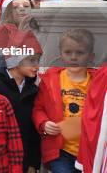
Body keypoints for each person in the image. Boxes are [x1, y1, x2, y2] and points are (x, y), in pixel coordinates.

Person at [32, 29, 97, 172]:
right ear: (61, 55)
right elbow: (38, 108)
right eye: (68, 52)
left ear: (91, 56)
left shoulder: (99, 82)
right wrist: (44, 123)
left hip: (89, 150)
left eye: (80, 52)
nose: (73, 57)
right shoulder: (50, 80)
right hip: (60, 150)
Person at [0, 35, 43, 173]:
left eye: (38, 60)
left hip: (22, 160)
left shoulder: (33, 91)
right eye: (31, 60)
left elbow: (33, 132)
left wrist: (33, 163)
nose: (36, 66)